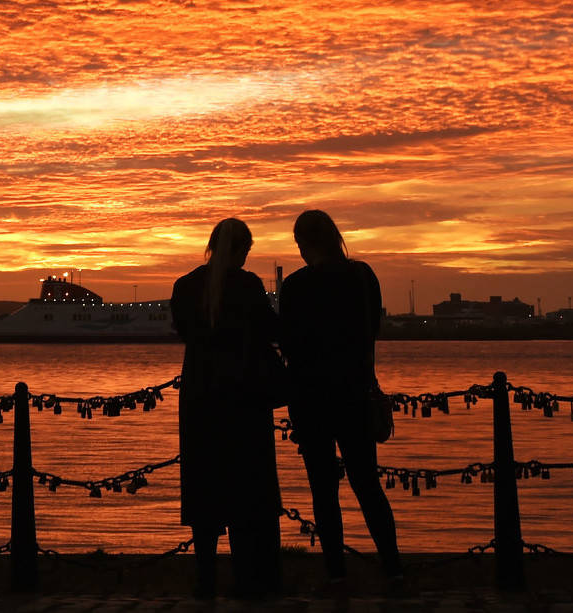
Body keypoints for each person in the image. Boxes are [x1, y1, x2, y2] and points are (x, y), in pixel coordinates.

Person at [277, 208, 404, 593]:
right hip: (354, 391)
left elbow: (290, 343)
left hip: (311, 397)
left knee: (323, 489)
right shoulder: (362, 276)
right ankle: (393, 566)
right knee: (367, 483)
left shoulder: (297, 286)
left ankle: (335, 571)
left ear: (303, 244)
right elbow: (372, 329)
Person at [170, 217, 283, 598]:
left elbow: (184, 332)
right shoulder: (249, 286)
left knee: (205, 488)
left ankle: (205, 579)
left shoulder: (185, 287)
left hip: (200, 396)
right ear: (241, 251)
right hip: (244, 398)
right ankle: (247, 579)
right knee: (245, 491)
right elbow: (272, 331)